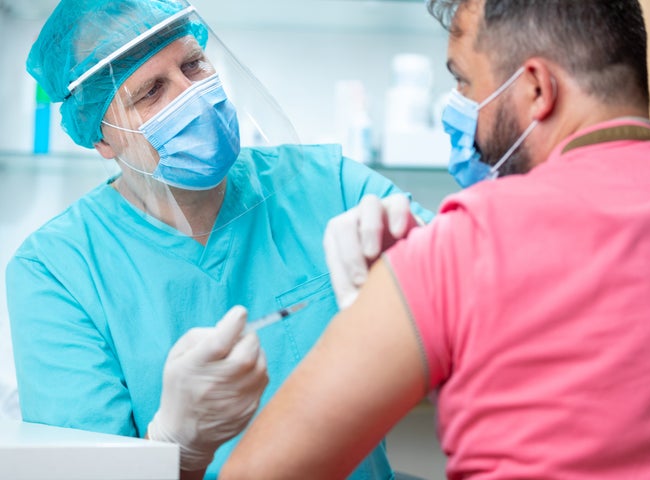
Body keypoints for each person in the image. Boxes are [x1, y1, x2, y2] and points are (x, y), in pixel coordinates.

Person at [218, 0, 650, 478]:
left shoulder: (459, 246)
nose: (459, 108)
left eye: (464, 81)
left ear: (537, 90)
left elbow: (258, 472)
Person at [5, 1, 432, 479]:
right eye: (151, 92)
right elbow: (82, 472)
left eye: (193, 65)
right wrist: (177, 448)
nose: (193, 96)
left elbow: (473, 288)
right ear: (103, 138)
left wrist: (428, 274)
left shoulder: (324, 184)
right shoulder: (57, 269)